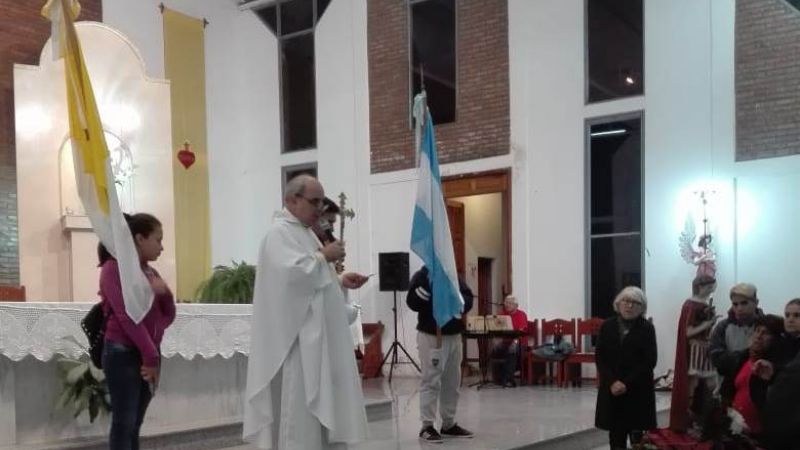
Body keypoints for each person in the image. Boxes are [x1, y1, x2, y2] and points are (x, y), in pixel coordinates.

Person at [243, 175, 369, 450]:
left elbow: (311, 282)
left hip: (317, 341)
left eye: (322, 202)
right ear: (292, 200)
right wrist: (324, 256)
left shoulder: (304, 232)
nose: (320, 209)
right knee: (299, 410)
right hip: (298, 343)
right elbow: (290, 279)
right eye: (315, 202)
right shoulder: (278, 234)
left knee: (318, 412)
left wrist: (339, 280)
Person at [100, 213, 176, 450]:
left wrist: (165, 294)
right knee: (124, 422)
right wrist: (150, 354)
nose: (162, 247)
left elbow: (168, 315)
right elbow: (126, 317)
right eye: (158, 239)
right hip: (123, 353)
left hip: (149, 353)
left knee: (136, 423)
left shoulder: (150, 272)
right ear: (140, 238)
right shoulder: (113, 269)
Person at [406, 265, 475, 443]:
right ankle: (427, 425)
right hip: (431, 334)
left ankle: (449, 424)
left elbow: (467, 298)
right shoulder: (422, 275)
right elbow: (412, 302)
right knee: (431, 380)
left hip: (453, 334)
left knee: (452, 382)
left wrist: (454, 298)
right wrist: (430, 287)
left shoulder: (453, 275)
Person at [595, 286, 657, 450]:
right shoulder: (607, 326)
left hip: (637, 389)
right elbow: (600, 357)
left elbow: (649, 361)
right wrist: (612, 381)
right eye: (626, 301)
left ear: (642, 307)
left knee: (638, 439)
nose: (629, 306)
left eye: (635, 302)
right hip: (612, 388)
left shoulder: (647, 328)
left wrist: (625, 383)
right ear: (618, 303)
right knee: (616, 436)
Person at [716, 314, 784, 438]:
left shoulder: (774, 368)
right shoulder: (741, 359)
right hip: (734, 428)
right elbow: (727, 391)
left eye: (765, 333)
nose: (759, 336)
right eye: (757, 331)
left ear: (775, 339)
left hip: (759, 436)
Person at [670, 274, 719, 434]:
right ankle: (690, 419)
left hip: (705, 348)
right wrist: (708, 323)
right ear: (701, 287)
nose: (711, 291)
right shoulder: (691, 305)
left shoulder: (701, 304)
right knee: (693, 385)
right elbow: (688, 332)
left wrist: (710, 326)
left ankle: (708, 418)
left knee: (711, 384)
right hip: (695, 349)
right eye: (709, 287)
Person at [749, 299, 800, 449]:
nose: (790, 319)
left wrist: (775, 373)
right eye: (787, 315)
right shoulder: (774, 344)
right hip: (772, 421)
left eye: (797, 315)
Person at [709, 283, 762, 391]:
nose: (739, 308)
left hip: (758, 389)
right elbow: (717, 360)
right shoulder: (722, 327)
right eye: (735, 304)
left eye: (744, 303)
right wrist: (748, 353)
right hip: (729, 390)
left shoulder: (766, 326)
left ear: (756, 303)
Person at [491, 295, 528, 387]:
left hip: (519, 342)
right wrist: (496, 340)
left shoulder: (521, 314)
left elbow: (521, 330)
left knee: (512, 349)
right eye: (506, 302)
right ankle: (498, 379)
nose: (507, 305)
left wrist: (514, 342)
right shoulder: (502, 315)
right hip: (505, 342)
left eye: (509, 303)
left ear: (516, 305)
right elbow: (496, 329)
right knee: (494, 350)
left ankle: (509, 380)